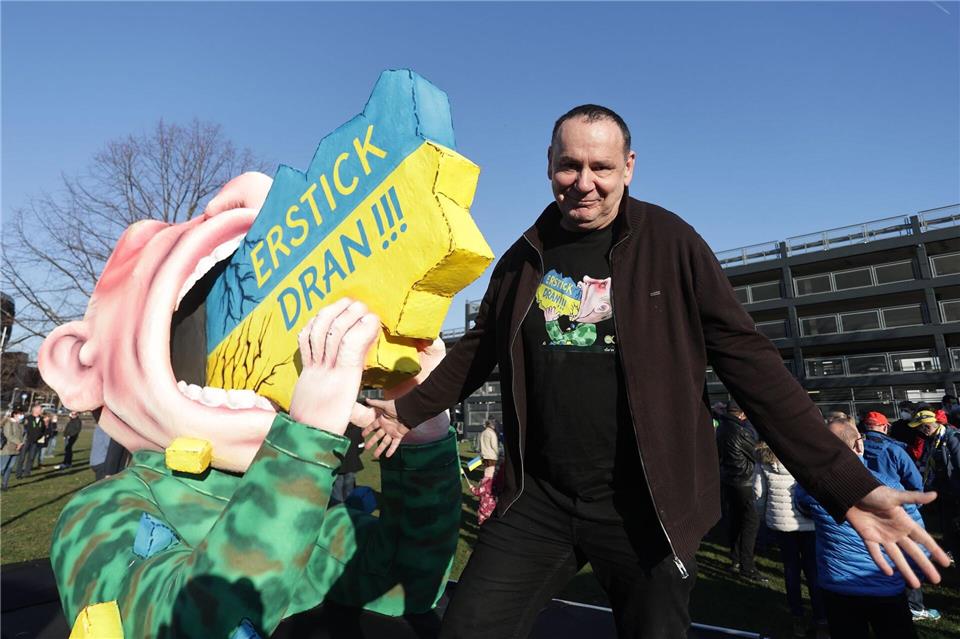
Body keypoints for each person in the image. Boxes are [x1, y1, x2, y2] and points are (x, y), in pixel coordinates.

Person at [362, 105, 949, 637]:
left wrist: (845, 483)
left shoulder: (672, 243)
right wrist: (408, 408)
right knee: (467, 629)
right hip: (539, 501)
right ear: (548, 165)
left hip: (647, 509)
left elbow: (753, 367)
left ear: (629, 167)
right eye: (570, 165)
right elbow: (479, 348)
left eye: (602, 166)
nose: (584, 183)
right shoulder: (524, 257)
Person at [797, 416, 925, 639]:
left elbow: (802, 502)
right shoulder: (891, 488)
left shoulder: (811, 490)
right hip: (883, 586)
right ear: (859, 444)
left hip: (838, 587)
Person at [860, 411, 940, 621]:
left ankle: (883, 602)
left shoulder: (853, 449)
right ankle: (914, 606)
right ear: (885, 427)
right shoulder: (894, 449)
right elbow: (915, 484)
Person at [756, 442, 826, 638]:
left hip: (782, 522)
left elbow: (758, 494)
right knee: (813, 570)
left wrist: (764, 516)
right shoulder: (808, 456)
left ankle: (798, 618)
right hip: (807, 521)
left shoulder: (764, 459)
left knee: (791, 569)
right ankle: (821, 618)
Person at [716, 401, 764, 581]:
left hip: (729, 479)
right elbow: (754, 453)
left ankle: (735, 560)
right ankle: (747, 566)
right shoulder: (740, 430)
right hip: (743, 481)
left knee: (735, 520)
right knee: (751, 523)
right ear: (741, 413)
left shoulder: (722, 428)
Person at [911, 408, 960, 560]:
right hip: (943, 491)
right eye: (920, 427)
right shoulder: (931, 440)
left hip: (955, 491)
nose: (923, 430)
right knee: (948, 527)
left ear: (934, 423)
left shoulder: (951, 437)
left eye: (925, 426)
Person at [331, 424, 364, 504]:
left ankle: (337, 508)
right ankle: (349, 507)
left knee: (337, 488)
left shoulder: (336, 427)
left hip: (337, 463)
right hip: (352, 462)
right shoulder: (357, 428)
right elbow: (361, 446)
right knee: (349, 487)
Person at [15, 403, 44, 478]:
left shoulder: (41, 420)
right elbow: (22, 428)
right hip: (26, 441)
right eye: (40, 409)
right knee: (22, 458)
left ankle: (27, 472)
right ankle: (18, 473)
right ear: (35, 410)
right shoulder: (27, 418)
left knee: (31, 458)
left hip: (35, 442)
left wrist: (39, 437)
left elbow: (43, 429)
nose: (42, 410)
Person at [1, 409, 25, 490]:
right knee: (2, 467)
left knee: (9, 468)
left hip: (16, 449)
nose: (22, 416)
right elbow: (8, 435)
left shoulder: (20, 425)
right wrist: (18, 443)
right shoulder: (9, 423)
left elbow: (23, 435)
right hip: (7, 448)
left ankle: (5, 485)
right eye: (20, 414)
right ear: (14, 414)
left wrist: (21, 443)